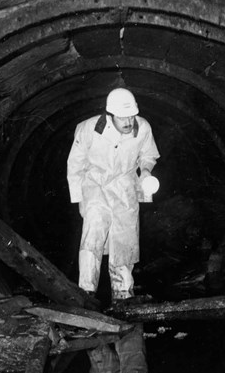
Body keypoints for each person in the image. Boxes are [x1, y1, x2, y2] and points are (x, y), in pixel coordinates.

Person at [66, 87, 160, 301]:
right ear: (110, 115)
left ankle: (124, 294)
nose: (128, 121)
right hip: (95, 184)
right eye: (122, 117)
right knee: (94, 233)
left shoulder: (143, 127)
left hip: (125, 185)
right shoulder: (88, 129)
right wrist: (80, 199)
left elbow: (148, 155)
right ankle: (86, 293)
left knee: (124, 239)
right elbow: (75, 165)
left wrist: (145, 170)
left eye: (131, 116)